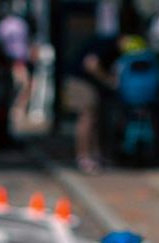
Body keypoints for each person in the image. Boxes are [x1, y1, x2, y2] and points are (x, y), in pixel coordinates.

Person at [64, 31, 119, 174]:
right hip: (80, 81)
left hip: (87, 82)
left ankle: (94, 155)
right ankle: (84, 157)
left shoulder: (108, 42)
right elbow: (91, 64)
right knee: (87, 118)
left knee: (94, 118)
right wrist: (107, 79)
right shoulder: (108, 44)